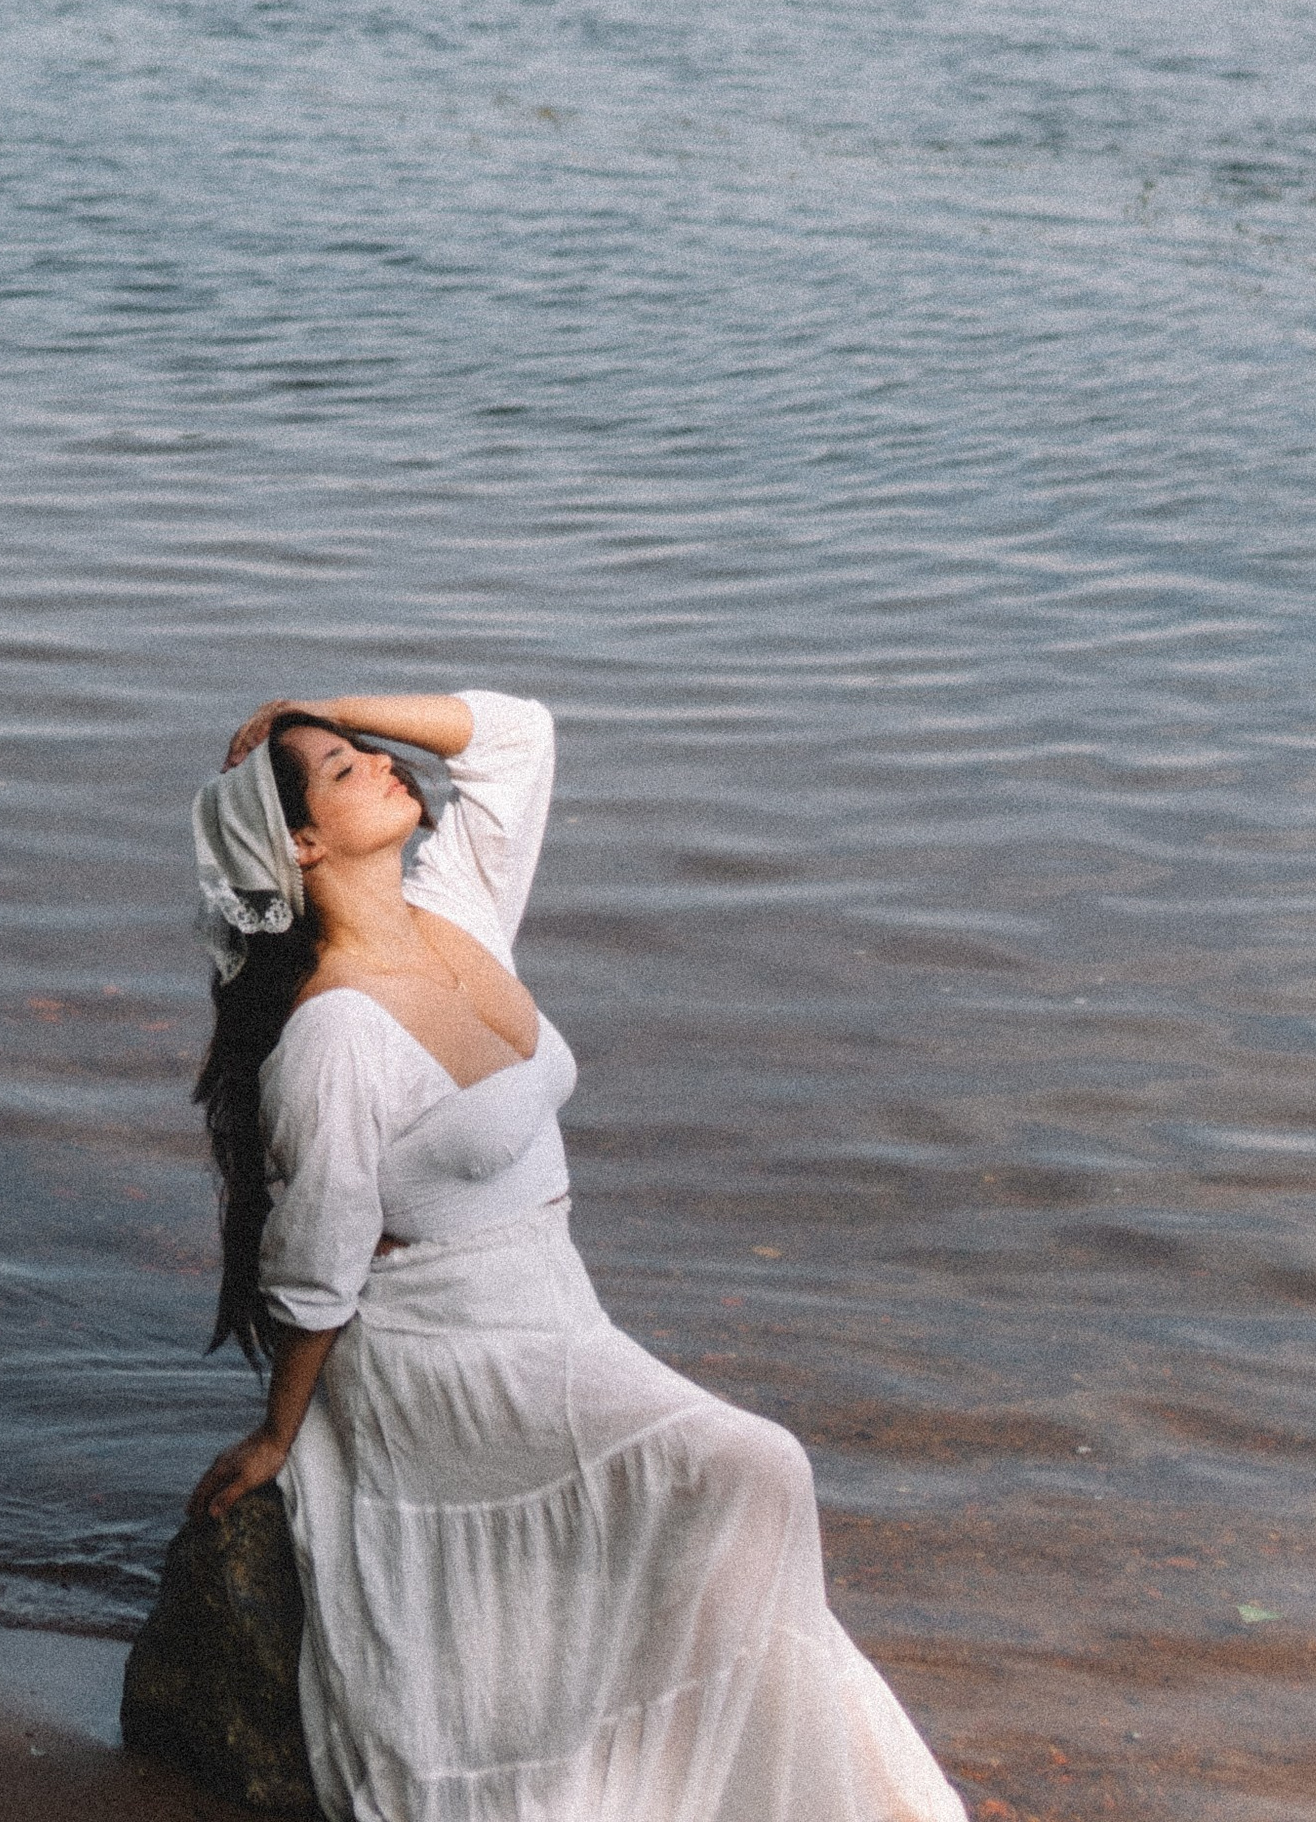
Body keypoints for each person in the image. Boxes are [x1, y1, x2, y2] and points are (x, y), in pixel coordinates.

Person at [188, 688, 962, 1822]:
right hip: (443, 1351)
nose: (388, 764)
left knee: (734, 1500)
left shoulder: (457, 909)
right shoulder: (333, 1034)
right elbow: (315, 1266)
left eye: (373, 751)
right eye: (348, 770)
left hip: (554, 1307)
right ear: (299, 845)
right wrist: (280, 1433)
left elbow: (516, 735)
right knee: (759, 1464)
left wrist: (315, 699)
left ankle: (737, 1773)